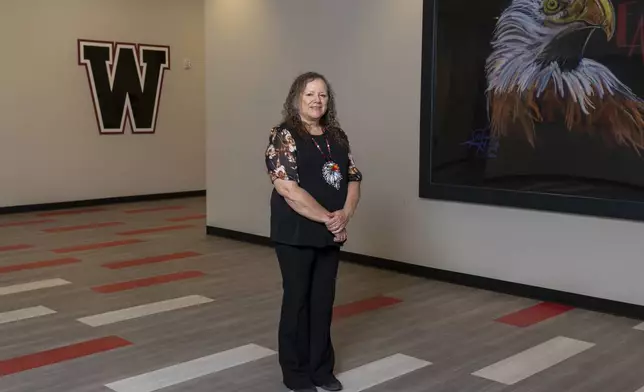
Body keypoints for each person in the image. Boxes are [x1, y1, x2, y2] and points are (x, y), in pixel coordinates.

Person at [264, 72, 362, 392]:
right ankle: (295, 373)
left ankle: (321, 369)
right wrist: (328, 218)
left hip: (329, 233)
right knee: (298, 301)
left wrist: (344, 214)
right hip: (295, 233)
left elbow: (353, 178)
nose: (316, 100)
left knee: (323, 301)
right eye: (309, 94)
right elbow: (287, 188)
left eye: (322, 95)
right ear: (297, 98)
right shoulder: (284, 135)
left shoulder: (336, 135)